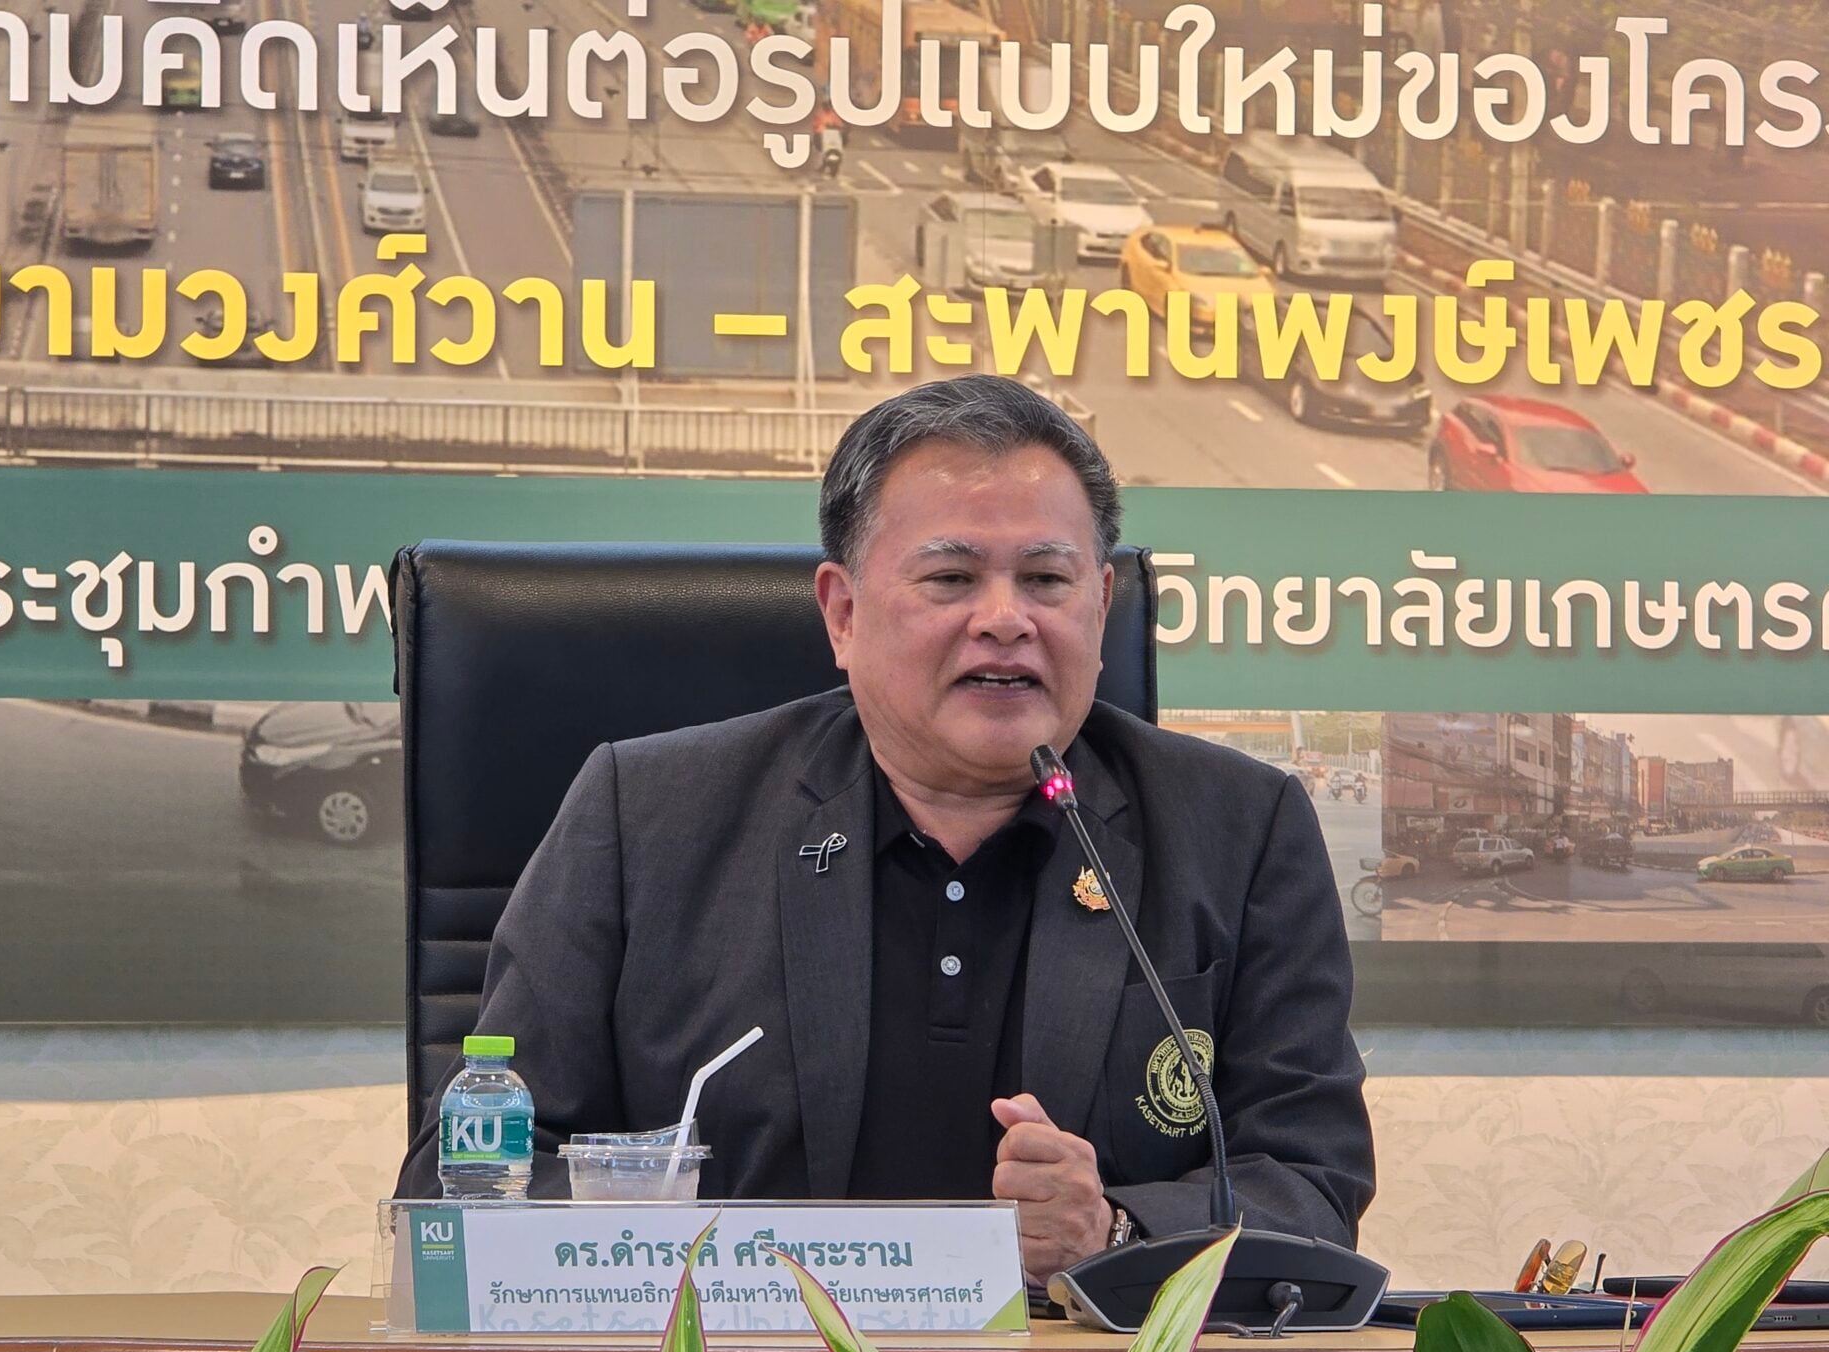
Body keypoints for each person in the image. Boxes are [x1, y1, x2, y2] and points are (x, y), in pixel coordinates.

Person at [396, 376, 1375, 1283]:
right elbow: (463, 1177)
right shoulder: (644, 816)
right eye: (951, 579)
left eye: (1047, 579)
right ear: (843, 613)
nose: (1006, 619)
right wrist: (660, 1238)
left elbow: (1311, 1185)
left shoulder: (1238, 831)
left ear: (1102, 604)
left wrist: (1114, 1232)